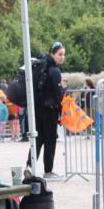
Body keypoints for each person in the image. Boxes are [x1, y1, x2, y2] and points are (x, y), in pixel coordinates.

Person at [33, 43, 66, 176]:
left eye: (63, 54)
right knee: (50, 141)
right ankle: (48, 171)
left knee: (38, 139)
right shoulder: (55, 71)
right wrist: (63, 88)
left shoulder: (42, 68)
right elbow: (58, 95)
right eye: (60, 54)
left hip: (38, 108)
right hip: (50, 110)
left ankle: (29, 166)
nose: (62, 57)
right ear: (52, 54)